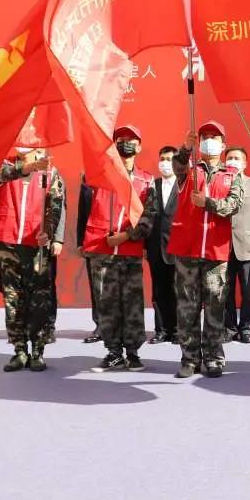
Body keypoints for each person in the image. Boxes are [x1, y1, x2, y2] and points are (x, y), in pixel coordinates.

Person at [166, 121, 244, 378]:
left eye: (215, 137)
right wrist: (186, 147)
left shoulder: (232, 174)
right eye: (205, 137)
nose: (209, 140)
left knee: (215, 307)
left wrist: (208, 203)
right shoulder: (189, 170)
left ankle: (213, 358)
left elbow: (233, 205)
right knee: (187, 308)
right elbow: (177, 165)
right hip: (187, 250)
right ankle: (189, 359)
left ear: (223, 145)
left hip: (215, 251)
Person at [82, 126, 155, 372]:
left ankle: (133, 353)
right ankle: (113, 352)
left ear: (139, 146)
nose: (126, 143)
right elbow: (84, 207)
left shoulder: (147, 180)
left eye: (131, 140)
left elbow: (149, 217)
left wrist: (125, 236)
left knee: (132, 303)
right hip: (101, 251)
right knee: (106, 303)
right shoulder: (98, 175)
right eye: (121, 140)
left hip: (129, 252)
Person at [0, 147, 65, 373]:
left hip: (36, 249)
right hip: (7, 245)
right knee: (12, 302)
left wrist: (49, 233)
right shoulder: (4, 166)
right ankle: (19, 351)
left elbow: (56, 206)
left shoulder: (51, 174)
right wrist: (29, 167)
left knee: (38, 302)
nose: (25, 149)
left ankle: (37, 352)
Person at [223, 146, 250, 344]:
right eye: (230, 157)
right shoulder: (219, 183)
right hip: (222, 246)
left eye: (237, 158)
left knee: (248, 291)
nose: (233, 161)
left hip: (247, 245)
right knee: (225, 291)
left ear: (245, 163)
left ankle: (246, 327)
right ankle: (229, 328)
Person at [146, 146, 181, 344]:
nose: (165, 163)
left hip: (177, 247)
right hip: (155, 246)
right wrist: (145, 246)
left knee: (177, 290)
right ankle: (161, 330)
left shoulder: (183, 185)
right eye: (162, 159)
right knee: (158, 290)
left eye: (169, 159)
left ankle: (177, 330)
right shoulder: (152, 185)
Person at [76, 174, 103, 344]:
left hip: (113, 239)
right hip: (92, 242)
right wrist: (80, 242)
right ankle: (100, 324)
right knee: (96, 286)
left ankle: (118, 326)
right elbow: (82, 214)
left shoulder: (117, 176)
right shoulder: (87, 181)